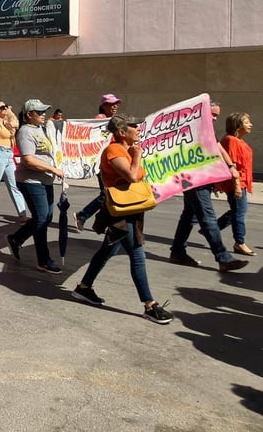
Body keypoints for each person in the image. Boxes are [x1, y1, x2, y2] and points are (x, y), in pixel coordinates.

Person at [71, 115, 174, 324]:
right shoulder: (113, 151)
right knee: (137, 254)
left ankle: (84, 287)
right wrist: (137, 156)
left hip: (131, 208)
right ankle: (150, 305)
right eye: (134, 126)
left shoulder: (126, 149)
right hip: (121, 212)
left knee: (108, 249)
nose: (138, 128)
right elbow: (132, 176)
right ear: (121, 132)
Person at [168, 101, 248, 272]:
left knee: (189, 217)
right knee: (208, 219)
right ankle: (223, 257)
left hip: (203, 180)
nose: (215, 118)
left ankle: (177, 251)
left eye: (217, 115)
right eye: (212, 114)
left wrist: (231, 167)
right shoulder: (189, 129)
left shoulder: (207, 129)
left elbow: (218, 148)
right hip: (195, 180)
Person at [6, 99, 65, 274]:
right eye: (39, 112)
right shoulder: (25, 132)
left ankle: (16, 239)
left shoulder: (43, 129)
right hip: (31, 182)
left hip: (46, 180)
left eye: (44, 111)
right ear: (28, 115)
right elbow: (28, 160)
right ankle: (44, 260)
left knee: (45, 218)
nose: (43, 114)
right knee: (40, 219)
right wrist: (52, 168)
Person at [73, 93, 122, 232]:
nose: (115, 106)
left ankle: (98, 221)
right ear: (103, 106)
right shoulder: (99, 119)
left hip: (111, 160)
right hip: (102, 163)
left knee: (109, 194)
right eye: (112, 104)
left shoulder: (113, 119)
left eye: (116, 103)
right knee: (106, 194)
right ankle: (83, 216)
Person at [216, 112, 255, 256]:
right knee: (239, 212)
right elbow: (232, 165)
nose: (250, 124)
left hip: (242, 181)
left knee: (237, 211)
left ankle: (212, 228)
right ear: (237, 125)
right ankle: (239, 242)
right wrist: (237, 185)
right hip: (236, 183)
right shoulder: (230, 140)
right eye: (246, 122)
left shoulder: (240, 141)